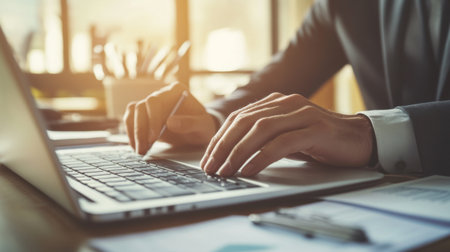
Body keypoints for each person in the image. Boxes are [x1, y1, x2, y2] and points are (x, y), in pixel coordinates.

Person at [124, 0, 450, 177]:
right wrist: (212, 119)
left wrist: (369, 133)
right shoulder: (343, 5)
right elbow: (278, 79)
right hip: (394, 200)